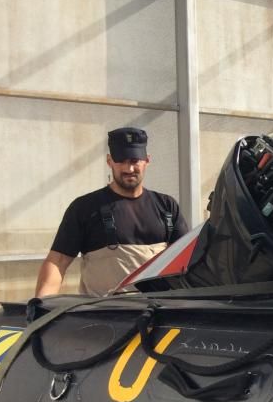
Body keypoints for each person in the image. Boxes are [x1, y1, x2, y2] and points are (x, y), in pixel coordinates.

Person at [35, 127, 189, 298]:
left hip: (159, 314)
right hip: (104, 316)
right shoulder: (85, 208)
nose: (129, 169)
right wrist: (40, 306)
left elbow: (187, 260)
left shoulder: (167, 206)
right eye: (121, 160)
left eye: (134, 160)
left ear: (147, 160)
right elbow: (58, 261)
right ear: (109, 161)